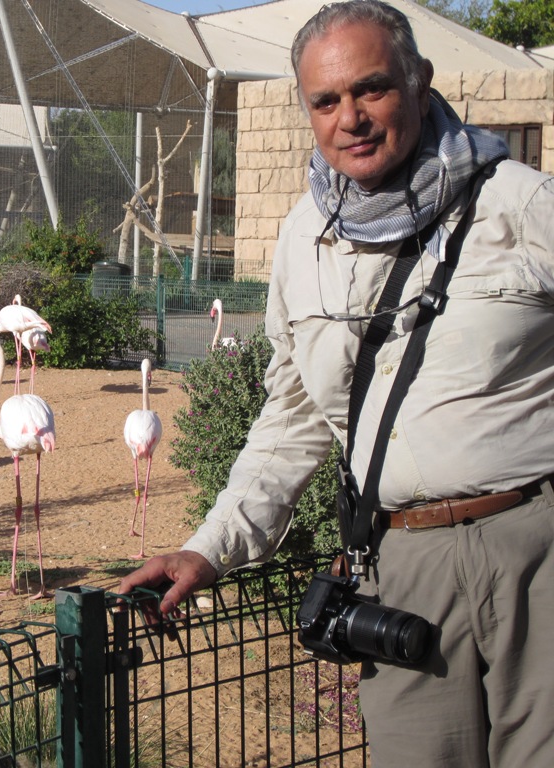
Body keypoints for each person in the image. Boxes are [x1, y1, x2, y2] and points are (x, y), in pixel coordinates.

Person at [118, 1, 554, 765]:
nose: (350, 117)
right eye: (326, 100)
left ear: (418, 84)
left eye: (371, 89)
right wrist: (207, 549)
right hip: (402, 565)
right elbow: (291, 421)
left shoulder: (517, 203)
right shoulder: (301, 241)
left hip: (536, 548)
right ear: (307, 110)